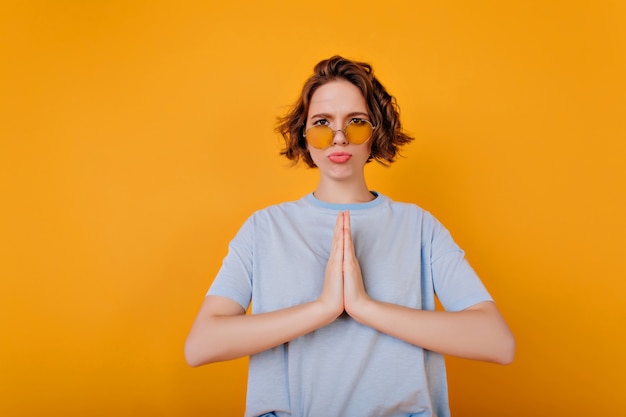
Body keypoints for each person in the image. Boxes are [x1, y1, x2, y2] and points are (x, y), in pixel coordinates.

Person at [185, 56, 515, 417]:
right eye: (322, 123)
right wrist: (324, 308)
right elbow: (200, 346)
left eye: (356, 122)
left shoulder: (419, 226)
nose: (339, 138)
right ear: (304, 135)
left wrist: (363, 307)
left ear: (376, 132)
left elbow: (497, 343)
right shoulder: (264, 228)